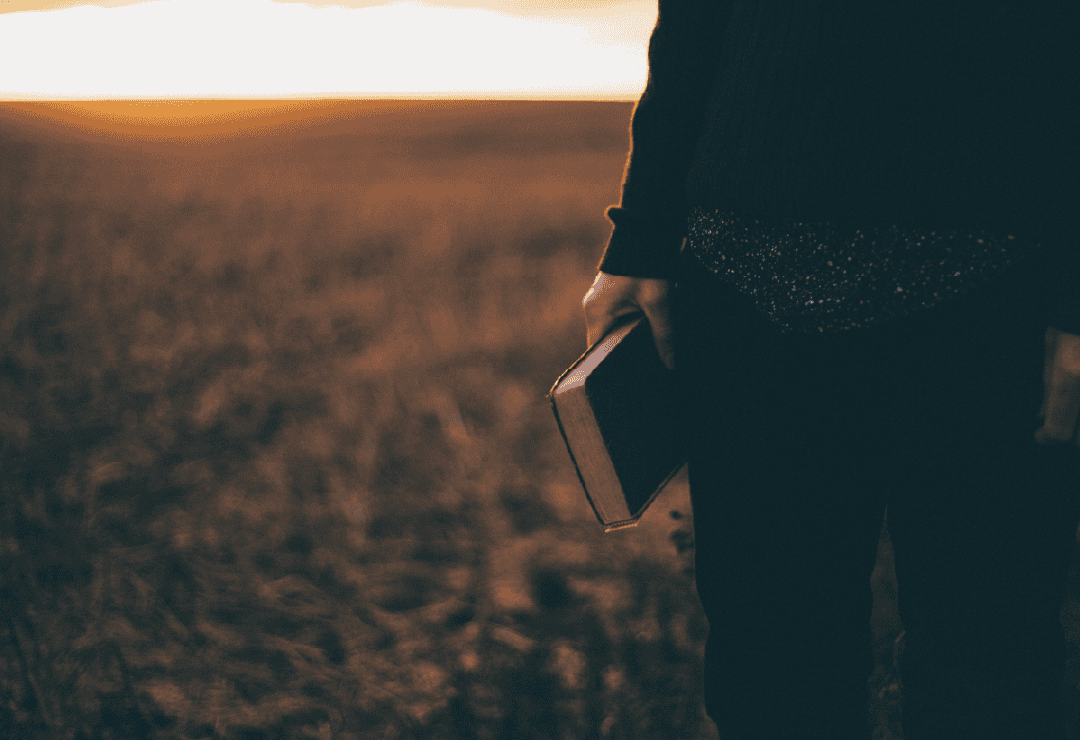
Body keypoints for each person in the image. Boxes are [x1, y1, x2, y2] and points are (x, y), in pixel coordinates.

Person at [581, 2, 1080, 739]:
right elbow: (694, 19)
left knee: (989, 664)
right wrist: (643, 238)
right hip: (742, 290)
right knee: (772, 669)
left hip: (994, 300)